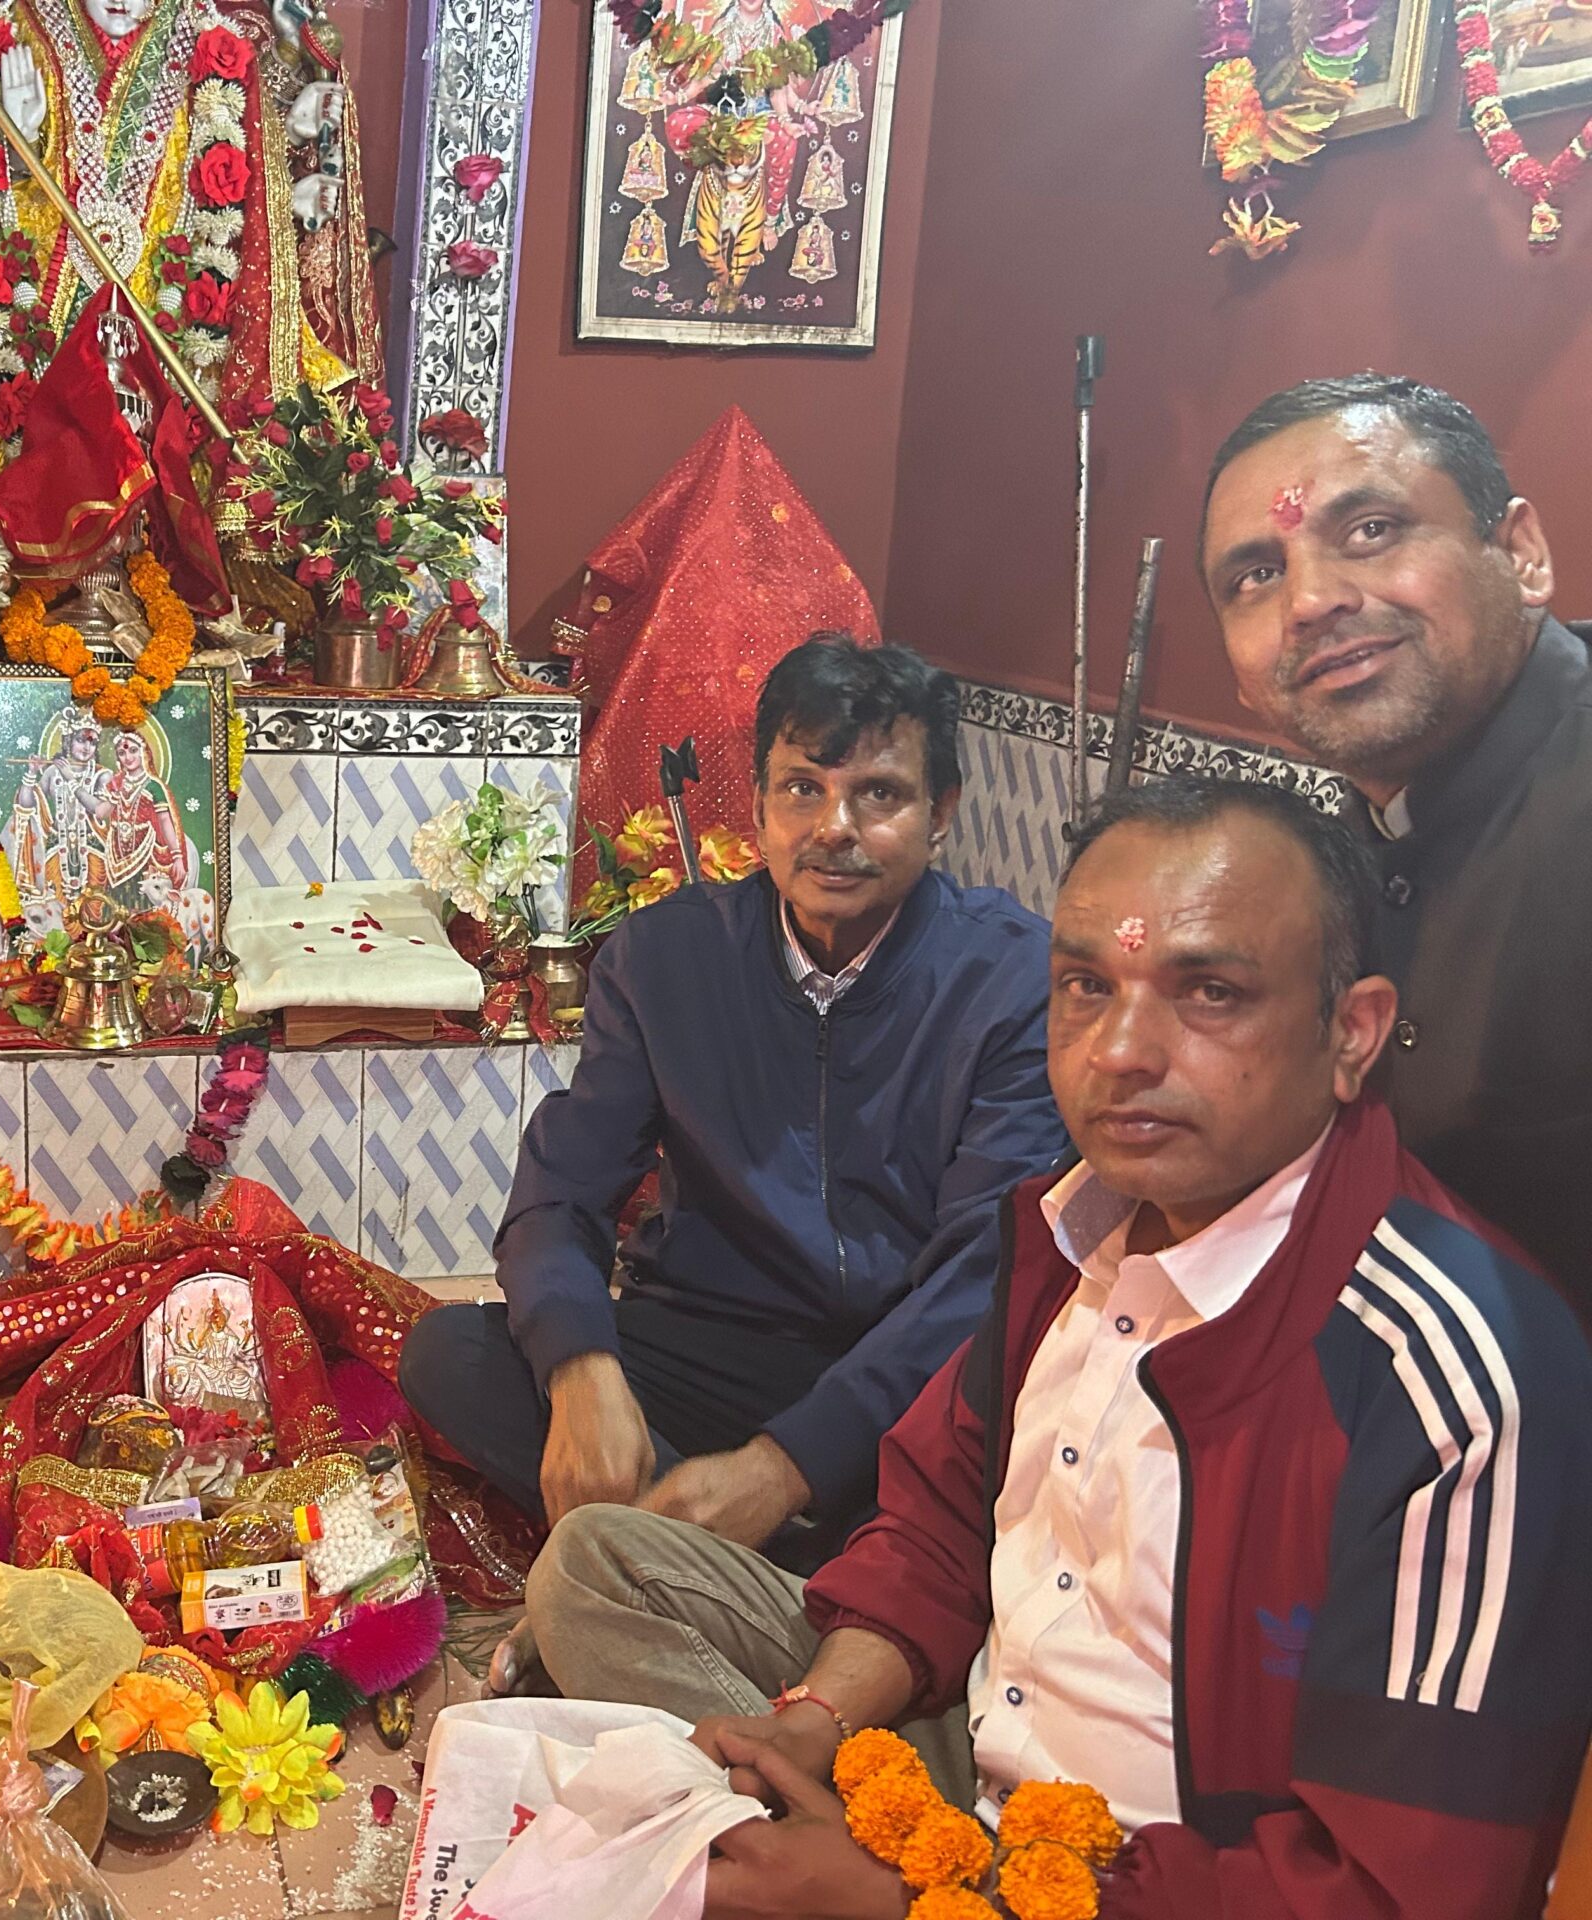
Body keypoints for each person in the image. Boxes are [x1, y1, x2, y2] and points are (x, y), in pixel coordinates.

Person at [523, 777, 1592, 1920]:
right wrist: (818, 1720)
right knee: (595, 1566)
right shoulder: (1071, 1226)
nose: (1119, 1051)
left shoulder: (1450, 1372)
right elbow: (939, 1522)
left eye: (1209, 993)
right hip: (977, 1740)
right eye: (1087, 985)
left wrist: (917, 1899)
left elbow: (1394, 1894)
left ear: (1352, 1034)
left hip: (1163, 1871)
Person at [401, 638, 1069, 1577]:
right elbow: (559, 1193)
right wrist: (582, 1369)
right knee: (452, 1354)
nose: (834, 827)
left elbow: (983, 1275)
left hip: (905, 1364)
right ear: (757, 806)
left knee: (1029, 1442)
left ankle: (700, 1561)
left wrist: (786, 1467)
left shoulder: (1014, 982)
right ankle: (792, 1568)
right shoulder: (666, 958)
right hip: (709, 1347)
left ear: (942, 814)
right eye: (802, 789)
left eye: (879, 794)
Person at [1199, 374, 1589, 1283]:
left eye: (1371, 531)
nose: (1308, 602)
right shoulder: (1324, 865)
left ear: (1521, 554)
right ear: (1240, 676)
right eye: (1257, 576)